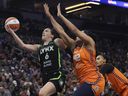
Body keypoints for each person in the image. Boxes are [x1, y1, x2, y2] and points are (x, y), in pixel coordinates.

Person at [43, 3, 105, 96]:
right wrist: (50, 16)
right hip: (85, 83)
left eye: (82, 33)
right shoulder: (74, 47)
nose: (78, 35)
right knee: (58, 40)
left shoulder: (90, 44)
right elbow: (61, 31)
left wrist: (61, 16)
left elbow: (75, 30)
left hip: (95, 81)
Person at [5, 24, 67, 96]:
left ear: (52, 36)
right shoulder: (39, 47)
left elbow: (64, 37)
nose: (43, 32)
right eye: (43, 31)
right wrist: (12, 32)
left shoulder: (56, 42)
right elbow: (23, 45)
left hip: (57, 75)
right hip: (46, 78)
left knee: (42, 93)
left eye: (46, 31)